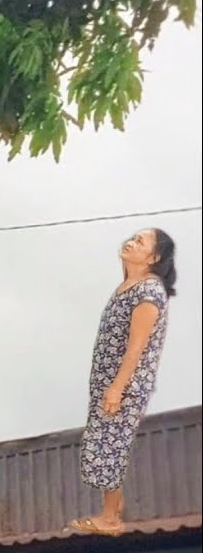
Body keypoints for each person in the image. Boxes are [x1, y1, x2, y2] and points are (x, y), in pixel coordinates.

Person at [69, 228, 177, 537]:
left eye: (140, 242)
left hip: (125, 384)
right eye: (134, 237)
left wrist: (117, 388)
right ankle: (111, 510)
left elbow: (136, 347)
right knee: (101, 443)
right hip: (107, 379)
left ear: (153, 258)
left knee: (105, 447)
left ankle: (111, 518)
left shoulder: (149, 292)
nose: (131, 242)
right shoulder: (129, 284)